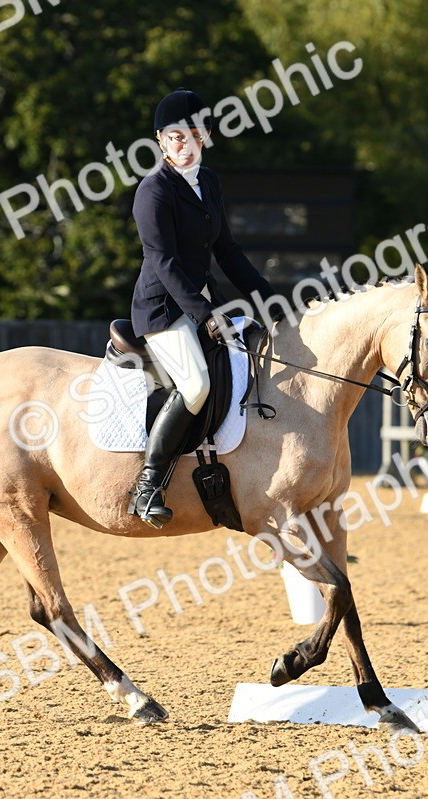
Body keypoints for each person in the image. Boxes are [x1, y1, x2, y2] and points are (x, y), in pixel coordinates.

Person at [127, 88, 280, 529]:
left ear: (206, 136)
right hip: (161, 308)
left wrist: (268, 295)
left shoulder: (209, 183)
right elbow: (164, 261)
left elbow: (227, 251)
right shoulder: (153, 191)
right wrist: (204, 314)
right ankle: (148, 484)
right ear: (160, 140)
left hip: (201, 303)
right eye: (175, 135)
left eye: (193, 134)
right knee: (194, 385)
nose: (184, 143)